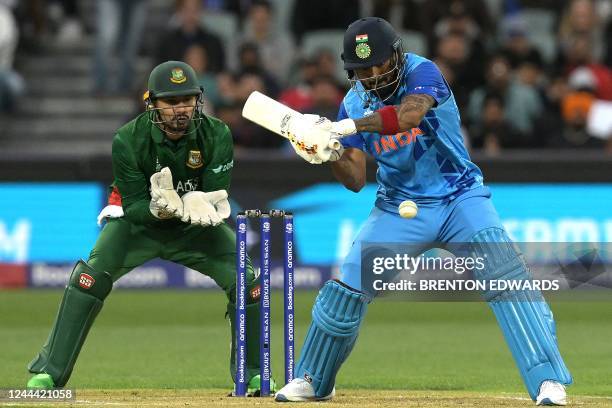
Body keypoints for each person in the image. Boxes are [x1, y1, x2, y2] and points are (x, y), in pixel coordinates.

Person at [274, 17, 572, 405]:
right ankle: (315, 377)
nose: (374, 75)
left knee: (506, 276)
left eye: (380, 64)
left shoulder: (422, 72)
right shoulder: (353, 102)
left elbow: (409, 116)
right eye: (363, 70)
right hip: (398, 207)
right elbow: (354, 178)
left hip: (459, 197)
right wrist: (326, 153)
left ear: (397, 55)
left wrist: (342, 128)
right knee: (346, 286)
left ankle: (548, 381)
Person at [26, 61, 272, 395]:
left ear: (198, 99)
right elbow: (136, 209)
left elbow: (216, 192)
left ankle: (254, 373)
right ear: (152, 102)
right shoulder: (128, 139)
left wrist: (195, 203)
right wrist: (158, 208)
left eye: (186, 100)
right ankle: (49, 373)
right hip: (137, 227)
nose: (180, 110)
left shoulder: (217, 134)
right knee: (88, 279)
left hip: (193, 227)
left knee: (247, 281)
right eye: (171, 102)